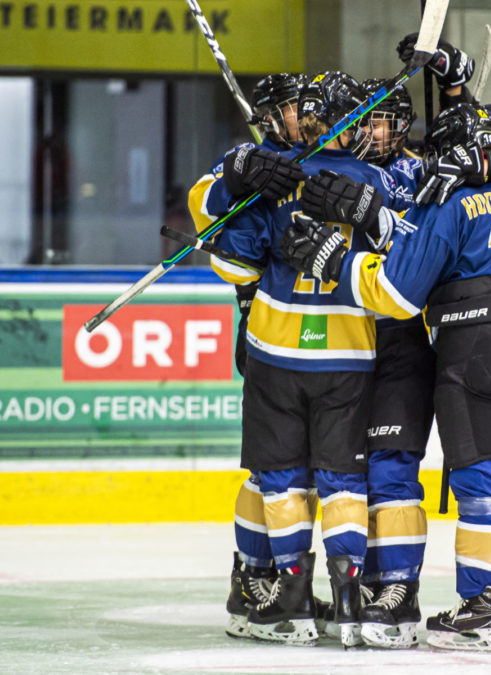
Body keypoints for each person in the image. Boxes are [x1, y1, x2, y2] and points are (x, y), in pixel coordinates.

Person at [278, 103, 491, 653]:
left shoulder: (449, 202)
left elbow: (400, 294)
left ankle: (479, 609)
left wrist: (337, 264)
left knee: (483, 483)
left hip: (478, 349)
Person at [205, 70, 408, 647]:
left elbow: (235, 267)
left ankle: (291, 596)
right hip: (348, 353)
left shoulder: (275, 177)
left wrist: (246, 204)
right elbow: (409, 255)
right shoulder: (377, 180)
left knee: (282, 478)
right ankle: (347, 599)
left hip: (275, 352)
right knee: (344, 478)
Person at [186, 72, 324, 643]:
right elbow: (201, 200)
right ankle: (255, 577)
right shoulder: (248, 157)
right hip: (268, 330)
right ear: (272, 116)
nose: (307, 116)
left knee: (313, 472)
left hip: (331, 340)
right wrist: (240, 180)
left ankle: (275, 581)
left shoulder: (328, 152)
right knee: (273, 468)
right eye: (296, 108)